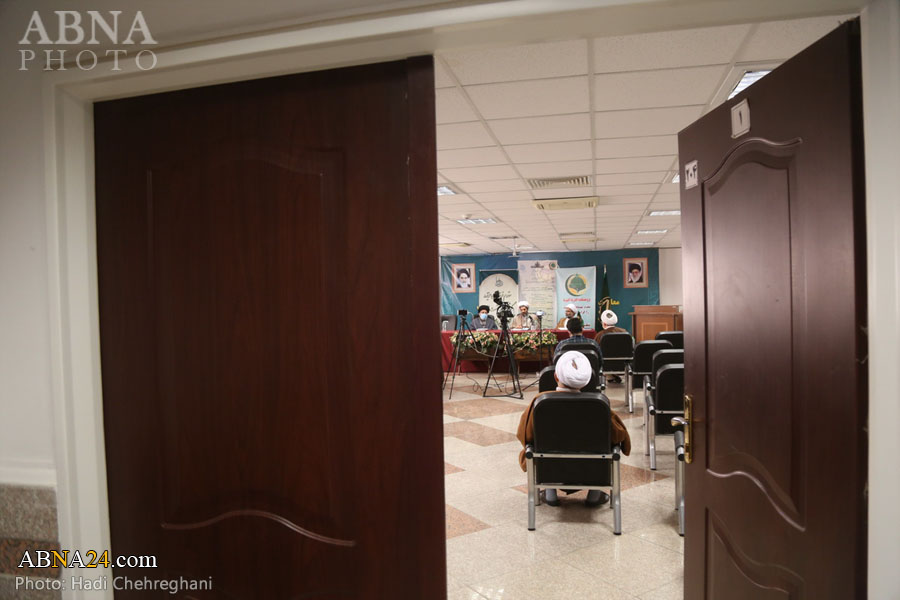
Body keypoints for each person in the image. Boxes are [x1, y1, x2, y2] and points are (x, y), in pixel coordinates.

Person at [516, 350, 631, 507]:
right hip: (590, 468)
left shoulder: (540, 403)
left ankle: (550, 492)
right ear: (586, 381)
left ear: (556, 376)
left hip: (550, 467)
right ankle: (594, 494)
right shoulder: (599, 406)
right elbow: (618, 436)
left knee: (541, 443)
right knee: (602, 446)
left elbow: (525, 435)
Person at [595, 310, 628, 382]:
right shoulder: (624, 332)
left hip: (605, 365)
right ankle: (611, 376)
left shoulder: (600, 335)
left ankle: (610, 376)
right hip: (623, 364)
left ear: (604, 324)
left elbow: (596, 350)